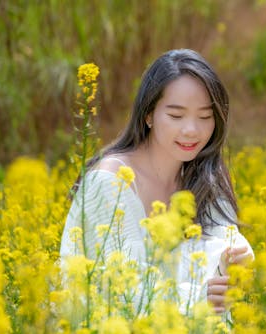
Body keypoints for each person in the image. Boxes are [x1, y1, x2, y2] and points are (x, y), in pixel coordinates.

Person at [60, 49, 254, 315]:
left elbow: (226, 241)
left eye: (205, 117)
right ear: (148, 115)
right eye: (176, 116)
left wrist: (234, 261)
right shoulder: (110, 182)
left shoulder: (205, 177)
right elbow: (119, 290)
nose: (192, 130)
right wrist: (198, 298)